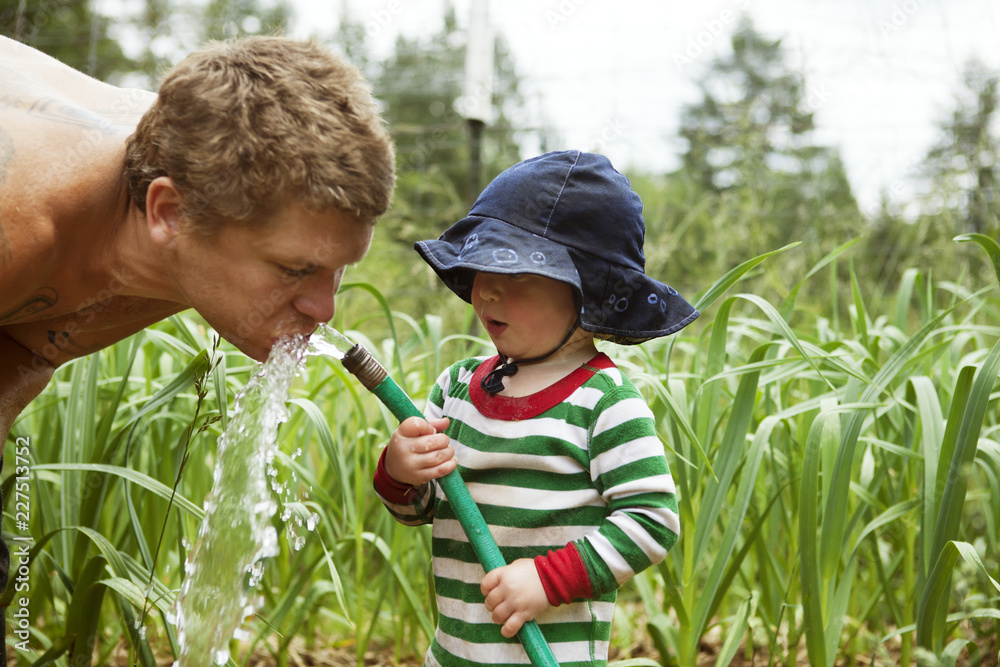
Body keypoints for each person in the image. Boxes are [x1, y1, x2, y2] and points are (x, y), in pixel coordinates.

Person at [0, 34, 395, 630]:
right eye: (295, 269)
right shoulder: (20, 223)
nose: (324, 308)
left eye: (338, 270)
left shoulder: (200, 189)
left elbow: (24, 343)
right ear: (169, 213)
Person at [373, 150, 699, 667]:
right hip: (454, 654)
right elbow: (420, 509)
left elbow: (653, 519)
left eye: (519, 275)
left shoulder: (603, 404)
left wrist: (548, 580)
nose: (488, 289)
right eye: (481, 267)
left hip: (550, 655)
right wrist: (399, 472)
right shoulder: (457, 388)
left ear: (588, 295)